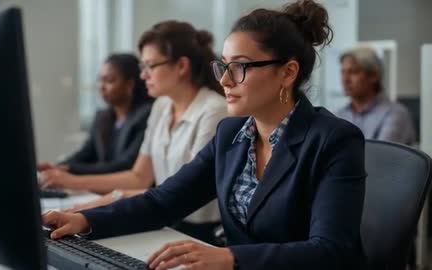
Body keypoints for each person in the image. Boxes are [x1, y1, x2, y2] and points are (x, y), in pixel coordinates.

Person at [43, 0, 366, 269]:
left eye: (239, 66)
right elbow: (164, 201)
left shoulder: (334, 139)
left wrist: (230, 258)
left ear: (287, 72)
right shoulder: (232, 133)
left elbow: (330, 250)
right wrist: (87, 221)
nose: (225, 80)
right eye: (223, 66)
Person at [40, 21, 227, 244]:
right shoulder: (161, 106)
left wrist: (103, 202)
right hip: (164, 220)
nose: (143, 76)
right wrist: (79, 194)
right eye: (142, 67)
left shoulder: (215, 112)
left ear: (181, 66)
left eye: (150, 66)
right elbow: (139, 177)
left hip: (198, 233)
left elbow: (178, 194)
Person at [38, 54, 153, 175]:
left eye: (109, 81)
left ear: (130, 85)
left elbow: (125, 164)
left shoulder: (146, 115)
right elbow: (86, 153)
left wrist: (69, 170)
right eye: (100, 80)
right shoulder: (102, 117)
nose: (101, 87)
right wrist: (56, 167)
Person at [336, 46, 416, 145]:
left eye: (353, 72)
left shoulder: (395, 114)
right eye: (343, 72)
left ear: (374, 76)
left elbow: (380, 157)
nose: (345, 79)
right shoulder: (339, 114)